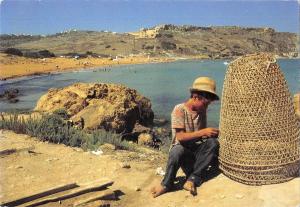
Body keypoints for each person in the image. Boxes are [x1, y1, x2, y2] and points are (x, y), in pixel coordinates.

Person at [151, 77, 220, 197]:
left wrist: (210, 134)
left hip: (195, 153)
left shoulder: (201, 111)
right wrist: (204, 132)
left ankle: (192, 179)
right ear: (195, 97)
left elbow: (201, 137)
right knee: (177, 149)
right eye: (205, 104)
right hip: (183, 155)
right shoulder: (179, 110)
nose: (206, 107)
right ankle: (166, 184)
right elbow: (180, 137)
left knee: (213, 143)